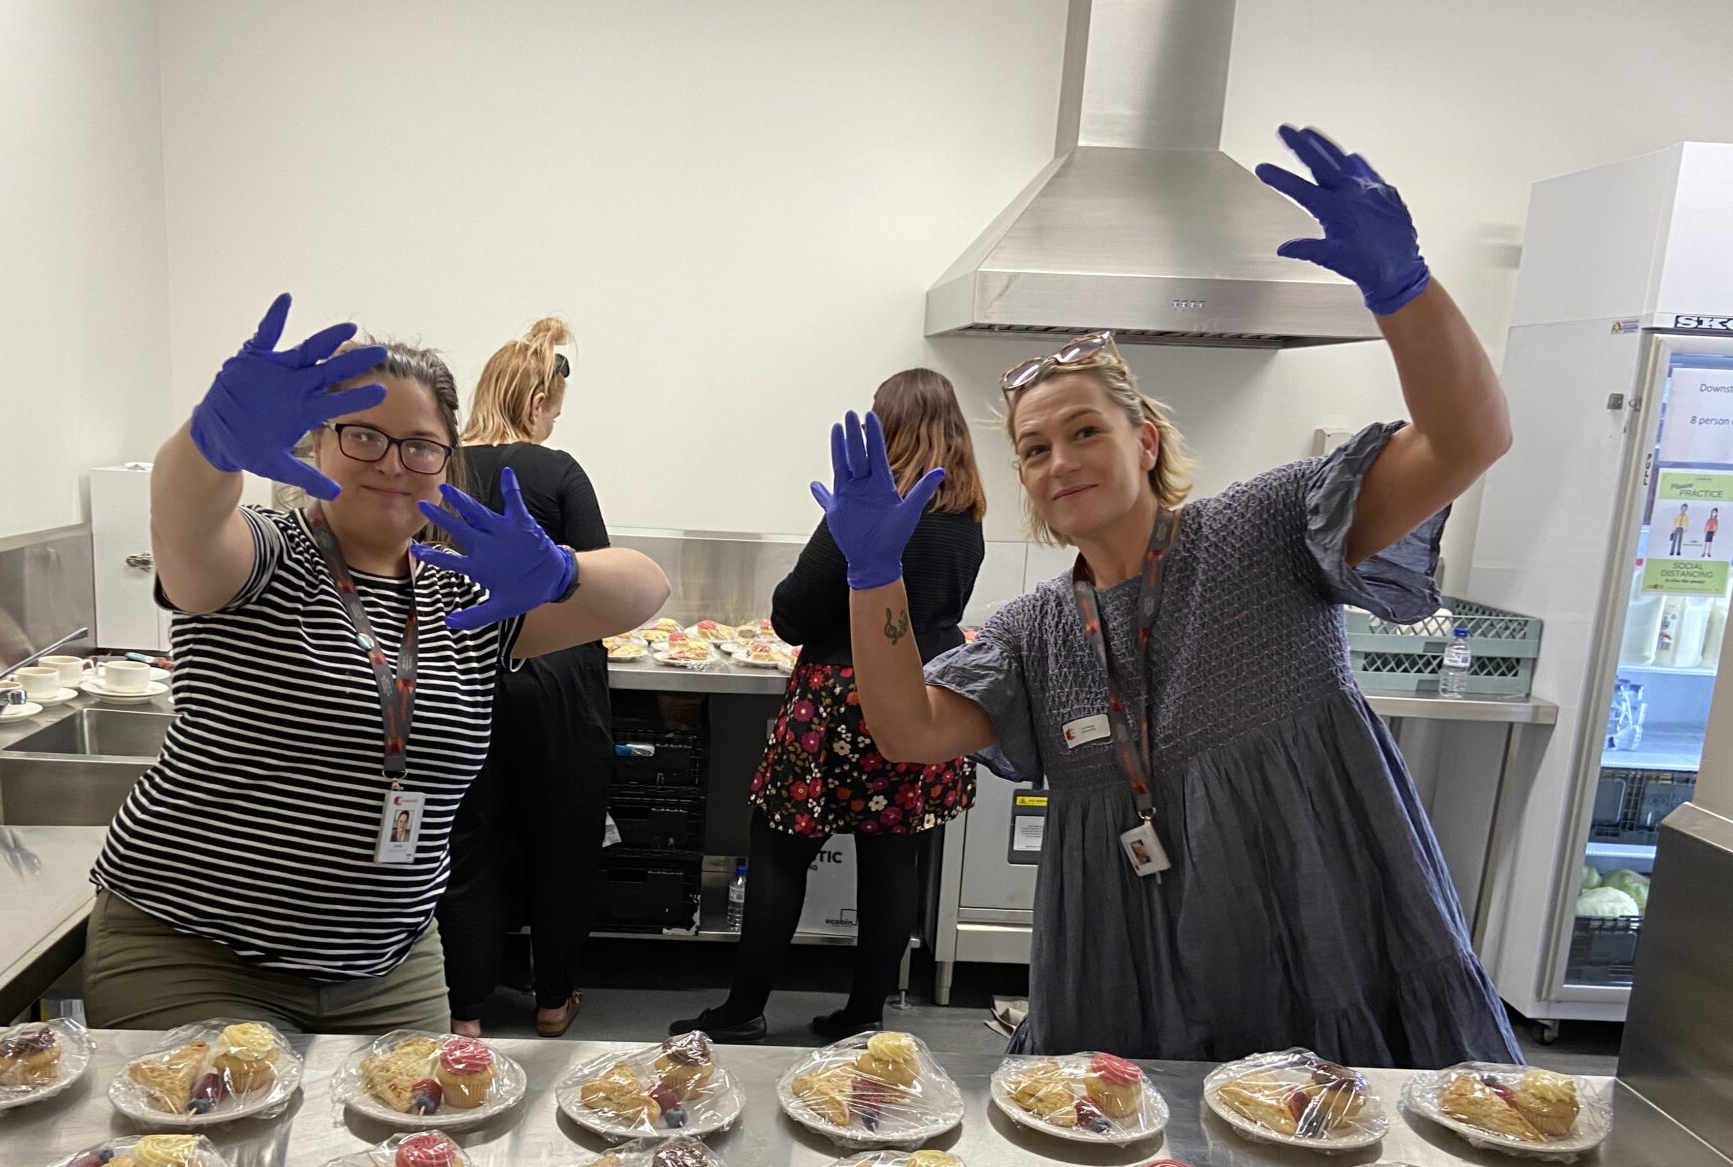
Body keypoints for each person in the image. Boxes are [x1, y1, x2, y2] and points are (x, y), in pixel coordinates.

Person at [811, 127, 1521, 1068]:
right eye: (1033, 448)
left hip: (1320, 942)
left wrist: (1405, 291)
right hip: (1131, 980)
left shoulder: (1265, 531)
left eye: (1084, 432)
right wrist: (870, 575)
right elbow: (906, 729)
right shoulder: (1035, 636)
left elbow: (1470, 437)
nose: (1059, 461)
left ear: (1144, 441)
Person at [83, 295, 669, 1031]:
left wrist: (559, 570)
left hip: (387, 966)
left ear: (448, 462)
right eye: (364, 435)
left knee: (409, 1145)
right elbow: (186, 525)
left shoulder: (466, 593)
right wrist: (208, 443)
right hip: (195, 951)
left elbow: (644, 592)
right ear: (319, 445)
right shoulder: (264, 555)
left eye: (419, 445)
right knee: (199, 1143)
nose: (393, 463)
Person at [669, 369, 986, 1045]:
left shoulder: (866, 511)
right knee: (892, 857)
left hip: (837, 704)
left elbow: (790, 614)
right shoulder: (966, 519)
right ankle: (864, 1015)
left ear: (887, 429)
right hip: (922, 699)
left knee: (781, 850)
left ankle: (744, 1009)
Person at [436, 317, 614, 1038]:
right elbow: (597, 583)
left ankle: (467, 1011)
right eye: (556, 407)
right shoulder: (559, 471)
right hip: (555, 676)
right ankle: (551, 1002)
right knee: (563, 839)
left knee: (468, 841)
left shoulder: (440, 468)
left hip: (466, 668)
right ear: (538, 401)